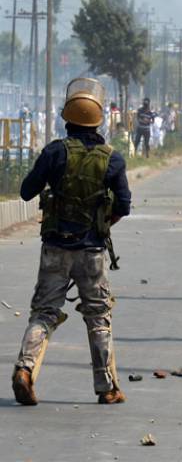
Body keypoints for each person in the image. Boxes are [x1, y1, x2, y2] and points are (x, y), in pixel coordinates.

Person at [12, 78, 131, 405]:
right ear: (99, 120)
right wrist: (102, 224)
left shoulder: (54, 152)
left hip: (54, 247)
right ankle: (107, 388)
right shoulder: (113, 158)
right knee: (98, 315)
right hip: (91, 251)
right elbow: (124, 205)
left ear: (67, 119)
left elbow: (26, 191)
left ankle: (25, 370)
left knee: (45, 312)